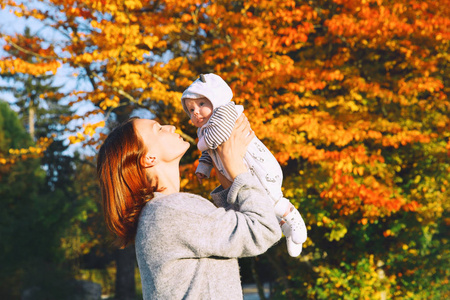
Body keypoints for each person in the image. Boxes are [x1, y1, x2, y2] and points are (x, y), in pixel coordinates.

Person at [97, 115, 282, 300]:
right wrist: (236, 167)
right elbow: (263, 229)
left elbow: (233, 236)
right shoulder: (171, 211)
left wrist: (224, 167)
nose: (171, 126)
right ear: (148, 158)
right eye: (158, 129)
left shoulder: (159, 213)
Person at [181, 73, 307, 257]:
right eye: (191, 110)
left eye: (201, 104)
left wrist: (201, 144)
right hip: (239, 172)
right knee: (257, 204)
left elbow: (216, 137)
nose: (196, 112)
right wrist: (203, 168)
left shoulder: (225, 112)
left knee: (269, 195)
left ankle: (292, 215)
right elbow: (208, 152)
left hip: (257, 166)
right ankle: (285, 228)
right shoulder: (204, 131)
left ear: (216, 99)